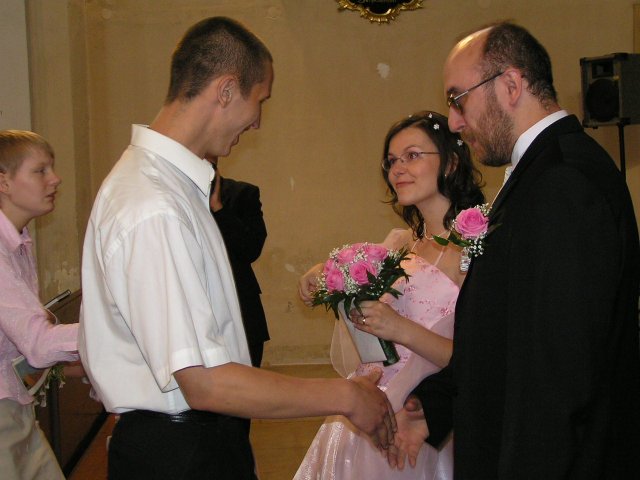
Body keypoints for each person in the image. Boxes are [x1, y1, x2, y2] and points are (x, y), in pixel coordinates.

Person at [78, 16, 395, 480]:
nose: (258, 121)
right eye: (259, 100)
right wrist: (345, 397)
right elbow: (204, 382)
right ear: (226, 90)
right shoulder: (154, 205)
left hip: (199, 440)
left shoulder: (171, 188)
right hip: (180, 452)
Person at [390, 22, 640, 479]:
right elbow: (510, 330)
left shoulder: (564, 182)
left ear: (510, 85)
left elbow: (558, 373)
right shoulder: (541, 172)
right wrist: (438, 404)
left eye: (458, 99)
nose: (455, 122)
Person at [295, 111, 485, 479]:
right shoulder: (399, 244)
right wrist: (326, 275)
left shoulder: (473, 251)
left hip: (421, 409)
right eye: (392, 161)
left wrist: (398, 328)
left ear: (451, 162)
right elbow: (358, 286)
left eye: (412, 156)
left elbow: (474, 358)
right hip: (368, 399)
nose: (398, 169)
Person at [0, 130, 79, 479]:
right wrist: (117, 329)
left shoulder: (19, 241)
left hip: (14, 404)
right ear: (3, 182)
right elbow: (37, 344)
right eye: (40, 170)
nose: (55, 179)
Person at [209, 157, 269, 368]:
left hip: (241, 304)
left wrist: (219, 209)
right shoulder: (173, 197)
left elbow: (251, 249)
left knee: (250, 374)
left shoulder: (243, 194)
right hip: (198, 308)